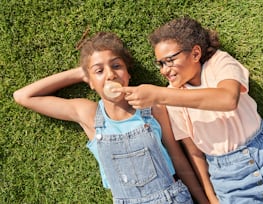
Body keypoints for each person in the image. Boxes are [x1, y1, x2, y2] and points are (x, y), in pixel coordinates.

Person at [116, 17, 263, 204]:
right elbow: (195, 153)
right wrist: (210, 197)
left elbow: (228, 99)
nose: (165, 70)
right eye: (161, 64)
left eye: (169, 61)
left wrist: (159, 95)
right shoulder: (172, 97)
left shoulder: (220, 63)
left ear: (195, 53)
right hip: (229, 179)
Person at [13, 31, 212, 204]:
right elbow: (23, 96)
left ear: (128, 74)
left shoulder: (154, 108)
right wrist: (80, 73)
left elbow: (179, 159)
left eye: (116, 66)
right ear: (90, 82)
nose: (110, 75)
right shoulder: (88, 114)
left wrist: (203, 200)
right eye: (99, 71)